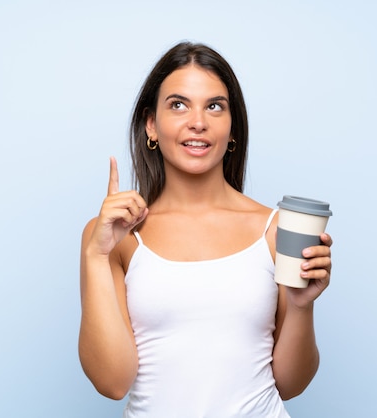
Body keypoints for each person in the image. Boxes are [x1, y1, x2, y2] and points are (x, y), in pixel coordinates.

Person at [78, 41, 333, 417]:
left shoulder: (275, 229)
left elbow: (291, 385)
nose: (198, 121)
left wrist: (300, 307)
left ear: (232, 130)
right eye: (178, 104)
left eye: (215, 106)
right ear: (151, 124)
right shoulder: (114, 237)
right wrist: (96, 256)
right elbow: (112, 382)